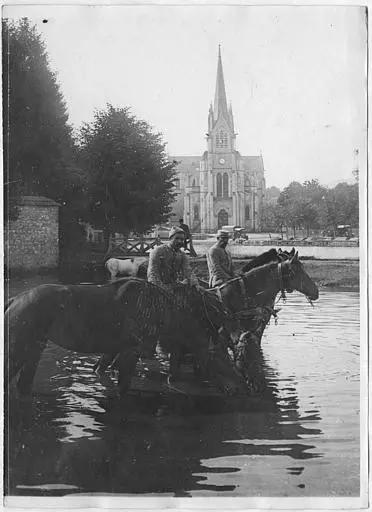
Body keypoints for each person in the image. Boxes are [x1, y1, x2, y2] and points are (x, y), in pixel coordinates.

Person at [147, 226, 198, 292]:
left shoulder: (182, 255)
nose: (179, 241)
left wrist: (195, 284)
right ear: (170, 238)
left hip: (174, 287)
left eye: (182, 239)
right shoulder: (158, 252)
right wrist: (163, 290)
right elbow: (152, 274)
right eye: (176, 238)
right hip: (158, 288)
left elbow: (188, 271)